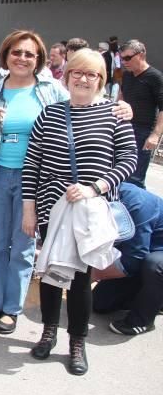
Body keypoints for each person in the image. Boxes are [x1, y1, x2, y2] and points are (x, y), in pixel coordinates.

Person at [22, 49, 137, 375]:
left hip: (89, 211)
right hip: (50, 210)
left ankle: (76, 341)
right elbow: (32, 165)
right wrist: (28, 209)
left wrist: (95, 187)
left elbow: (129, 160)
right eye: (78, 73)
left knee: (82, 279)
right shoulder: (50, 114)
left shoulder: (115, 114)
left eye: (92, 74)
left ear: (101, 80)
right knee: (49, 272)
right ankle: (47, 333)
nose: (84, 79)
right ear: (67, 75)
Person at [0, 31, 67, 334]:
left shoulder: (51, 91)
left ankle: (12, 309)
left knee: (24, 246)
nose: (22, 58)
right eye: (17, 52)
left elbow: (81, 110)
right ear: (6, 55)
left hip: (35, 180)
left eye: (29, 54)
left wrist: (120, 108)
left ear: (38, 59)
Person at [92, 182, 163, 336]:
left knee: (154, 265)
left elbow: (133, 260)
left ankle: (142, 320)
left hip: (156, 257)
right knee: (99, 303)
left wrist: (93, 275)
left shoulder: (137, 203)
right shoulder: (95, 200)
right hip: (144, 253)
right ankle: (154, 297)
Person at [118, 40, 163, 188]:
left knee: (135, 177)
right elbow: (121, 96)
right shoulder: (127, 76)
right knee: (119, 172)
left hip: (143, 131)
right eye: (122, 58)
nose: (124, 62)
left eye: (128, 58)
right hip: (124, 127)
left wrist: (155, 135)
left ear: (141, 55)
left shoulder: (155, 77)